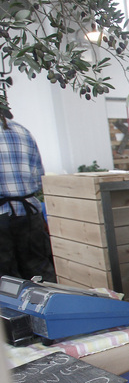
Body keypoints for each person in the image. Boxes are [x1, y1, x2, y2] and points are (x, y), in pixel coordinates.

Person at [0, 107, 56, 282]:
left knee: (6, 279)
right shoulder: (21, 131)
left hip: (1, 216)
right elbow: (39, 178)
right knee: (40, 272)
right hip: (29, 213)